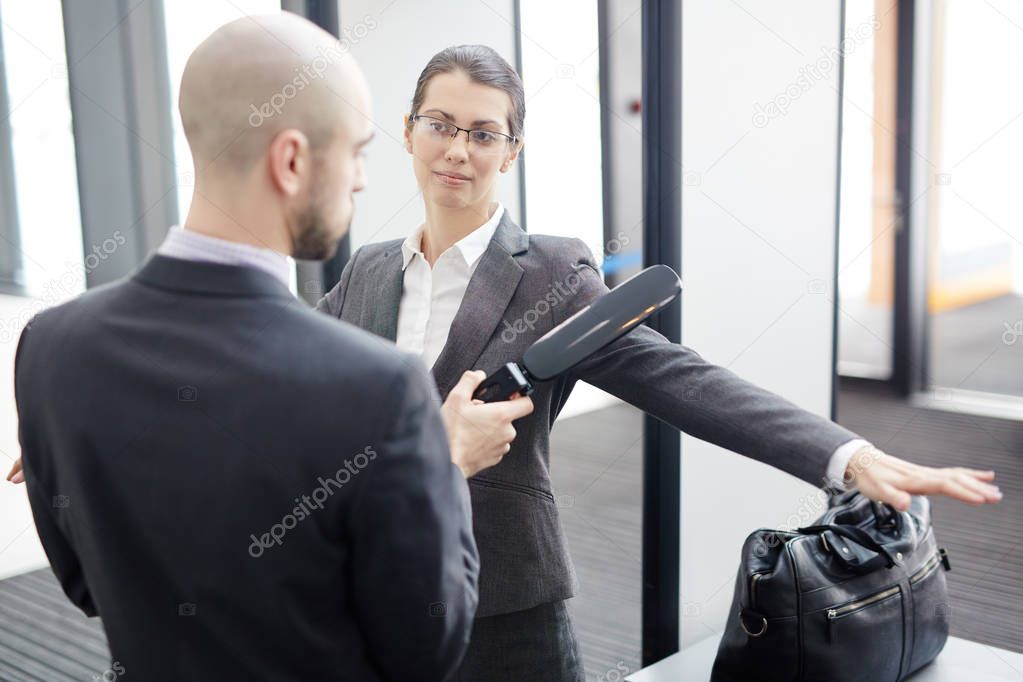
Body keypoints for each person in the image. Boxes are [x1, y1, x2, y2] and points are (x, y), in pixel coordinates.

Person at [314, 44, 1003, 682]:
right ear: (407, 132)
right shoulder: (370, 272)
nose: (458, 149)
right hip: (374, 579)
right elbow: (300, 394)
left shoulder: (549, 271)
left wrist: (844, 456)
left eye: (483, 132)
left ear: (512, 150)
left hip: (501, 595)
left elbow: (682, 380)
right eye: (440, 123)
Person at [9, 16, 532, 681]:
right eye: (355, 151)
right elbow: (424, 649)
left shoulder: (51, 349)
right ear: (290, 161)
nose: (362, 180)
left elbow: (88, 586)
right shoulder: (377, 388)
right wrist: (444, 463)